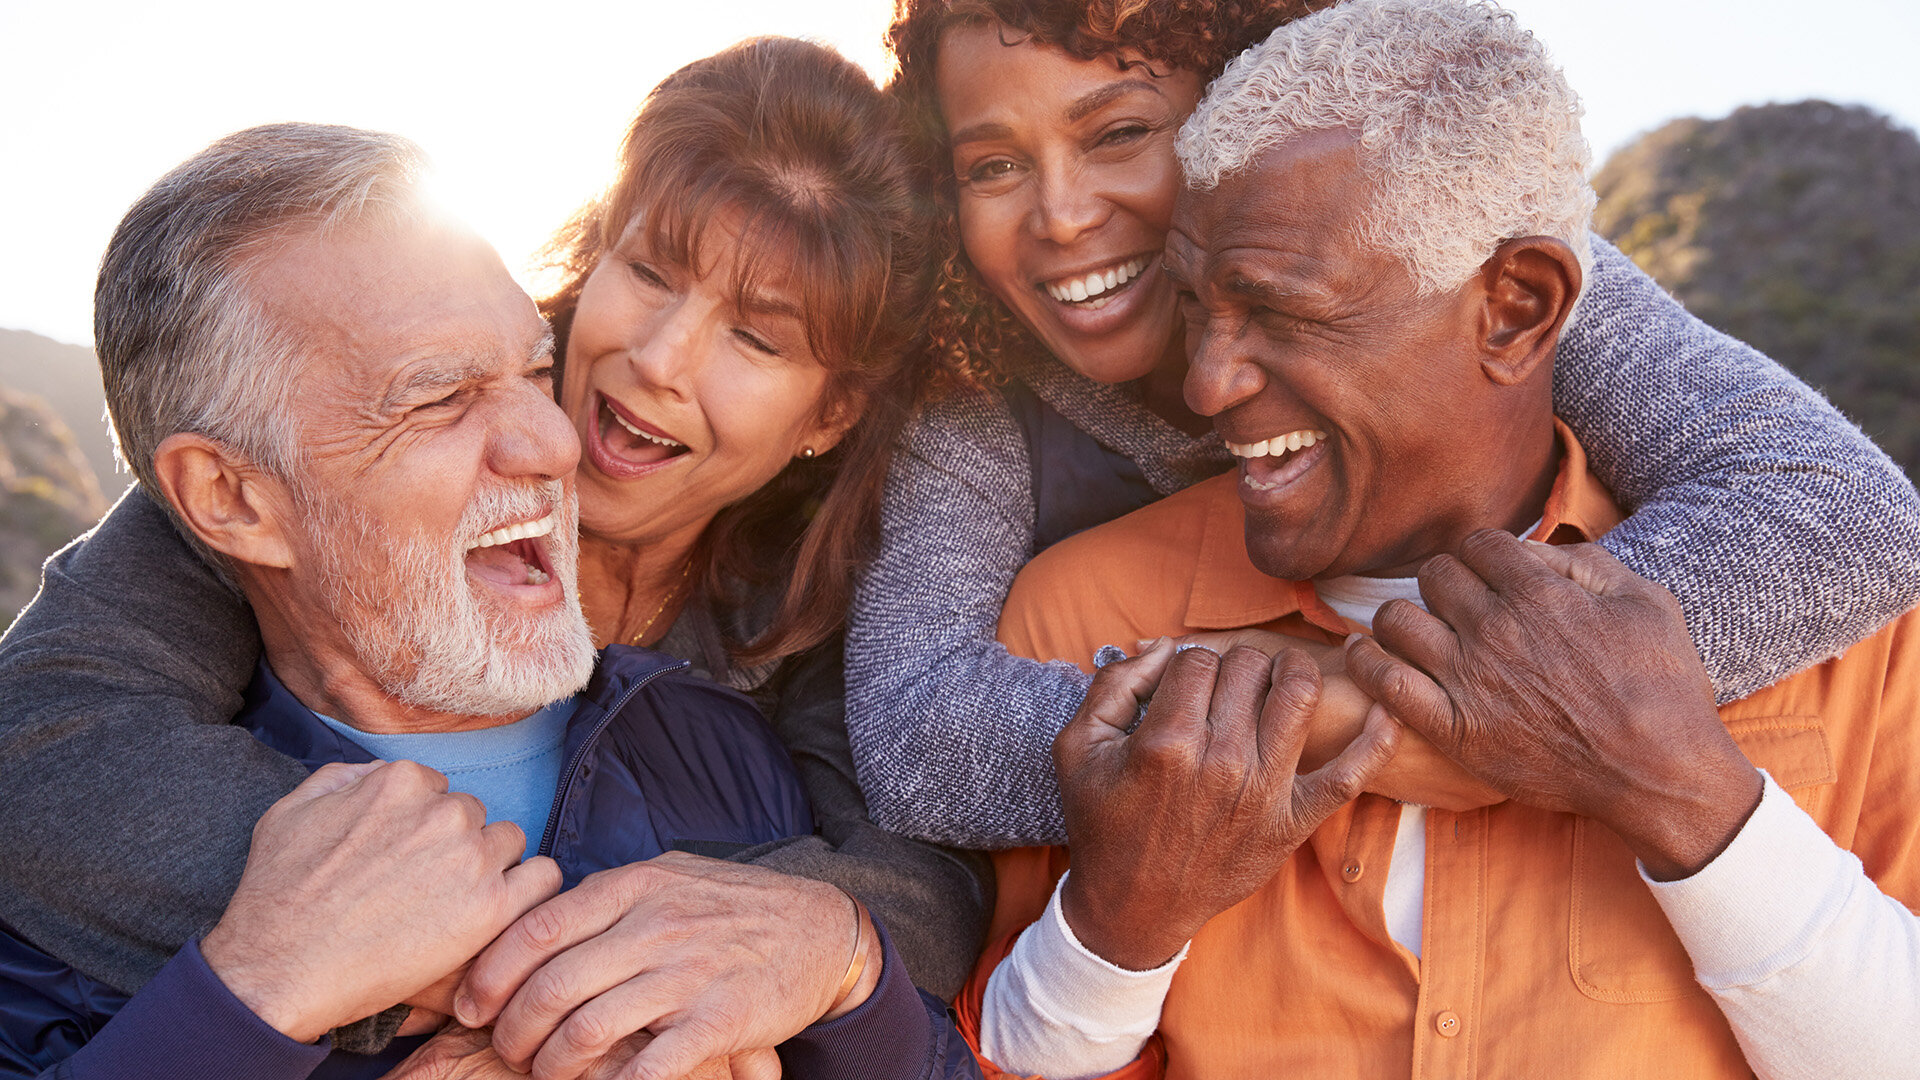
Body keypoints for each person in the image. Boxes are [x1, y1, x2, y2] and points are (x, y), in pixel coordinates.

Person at [0, 38, 988, 1077]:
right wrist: (386, 954)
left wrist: (807, 953)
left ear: (829, 414)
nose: (657, 359)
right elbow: (41, 742)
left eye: (759, 339)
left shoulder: (811, 618)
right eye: (648, 270)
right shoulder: (303, 472)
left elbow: (922, 895)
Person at [964, 3, 1920, 1076]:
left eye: (1282, 312)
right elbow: (987, 1060)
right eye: (1196, 308)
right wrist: (1115, 932)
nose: (1205, 381)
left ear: (1515, 308)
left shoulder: (1843, 621)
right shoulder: (1077, 617)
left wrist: (1683, 793)